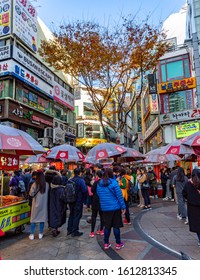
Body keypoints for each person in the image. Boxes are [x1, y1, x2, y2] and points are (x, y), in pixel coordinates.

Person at [97, 168, 126, 250]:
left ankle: (106, 243)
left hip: (105, 208)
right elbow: (119, 196)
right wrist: (123, 206)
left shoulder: (99, 184)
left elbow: (99, 195)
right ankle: (118, 243)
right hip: (115, 207)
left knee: (107, 227)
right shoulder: (114, 183)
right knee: (116, 226)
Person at [67, 168, 88, 237]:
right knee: (77, 215)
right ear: (80, 173)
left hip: (70, 200)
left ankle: (69, 229)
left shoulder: (70, 180)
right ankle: (75, 231)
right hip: (78, 200)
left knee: (71, 214)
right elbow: (85, 190)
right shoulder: (80, 181)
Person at [29, 170, 49, 240]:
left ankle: (32, 234)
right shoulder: (46, 185)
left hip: (35, 205)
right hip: (43, 205)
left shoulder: (34, 184)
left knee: (33, 219)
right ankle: (40, 233)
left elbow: (31, 194)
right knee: (42, 219)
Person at [183, 169, 200, 246]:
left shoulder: (188, 184)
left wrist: (190, 199)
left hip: (193, 208)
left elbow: (184, 194)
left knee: (197, 226)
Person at [89, 170, 104, 238]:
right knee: (102, 216)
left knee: (94, 215)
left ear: (97, 176)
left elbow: (92, 191)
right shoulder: (105, 182)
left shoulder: (96, 182)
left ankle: (92, 232)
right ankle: (101, 230)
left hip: (95, 200)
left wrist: (92, 184)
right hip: (102, 200)